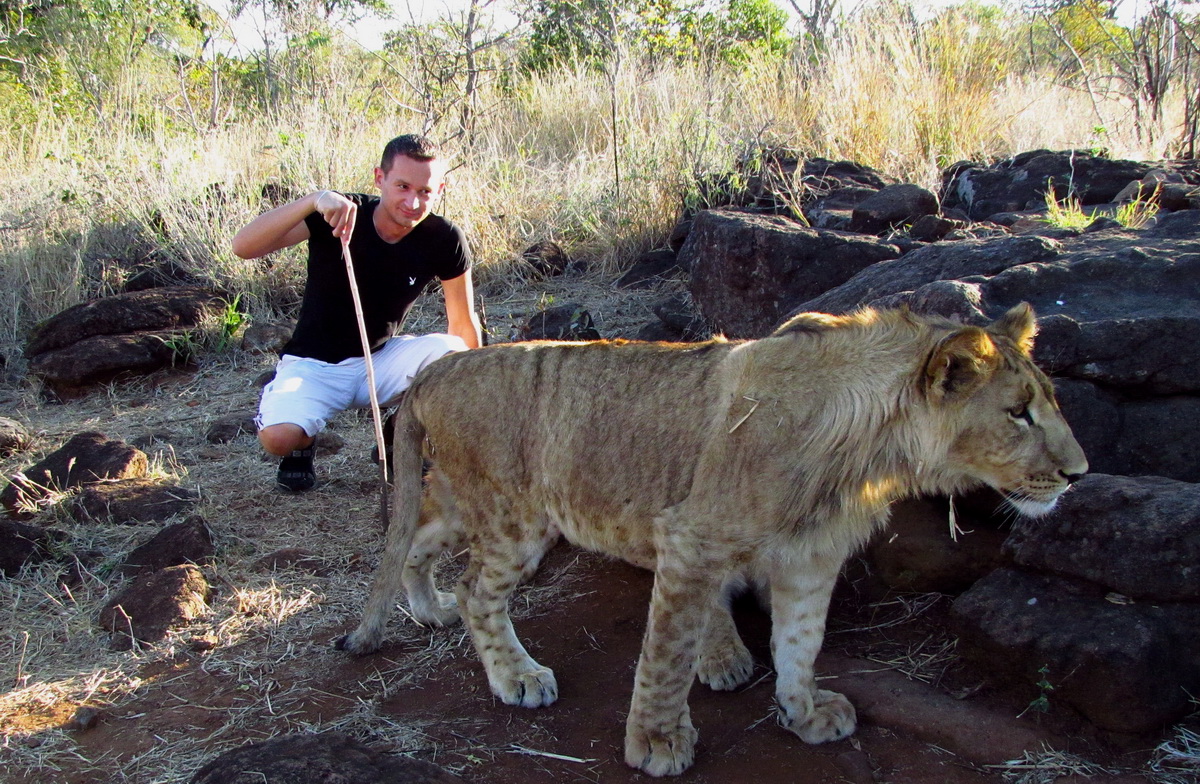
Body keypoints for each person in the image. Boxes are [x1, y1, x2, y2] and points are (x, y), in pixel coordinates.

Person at [233, 134, 482, 491]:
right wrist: (313, 200)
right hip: (313, 365)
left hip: (379, 360)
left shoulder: (445, 237)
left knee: (454, 353)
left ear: (440, 189)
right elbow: (243, 247)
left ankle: (402, 432)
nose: (412, 202)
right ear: (380, 178)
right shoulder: (340, 213)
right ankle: (301, 444)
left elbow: (462, 321)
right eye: (402, 186)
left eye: (425, 191)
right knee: (278, 438)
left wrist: (475, 391)